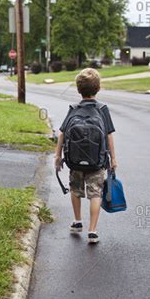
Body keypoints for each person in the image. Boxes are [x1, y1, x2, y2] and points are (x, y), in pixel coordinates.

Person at [54, 68, 117, 244]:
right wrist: (113, 159)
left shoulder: (73, 109)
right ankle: (92, 230)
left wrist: (58, 156)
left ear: (78, 89)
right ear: (98, 88)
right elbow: (109, 135)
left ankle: (77, 221)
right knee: (95, 193)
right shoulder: (102, 109)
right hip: (97, 161)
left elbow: (62, 133)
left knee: (75, 190)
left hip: (74, 162)